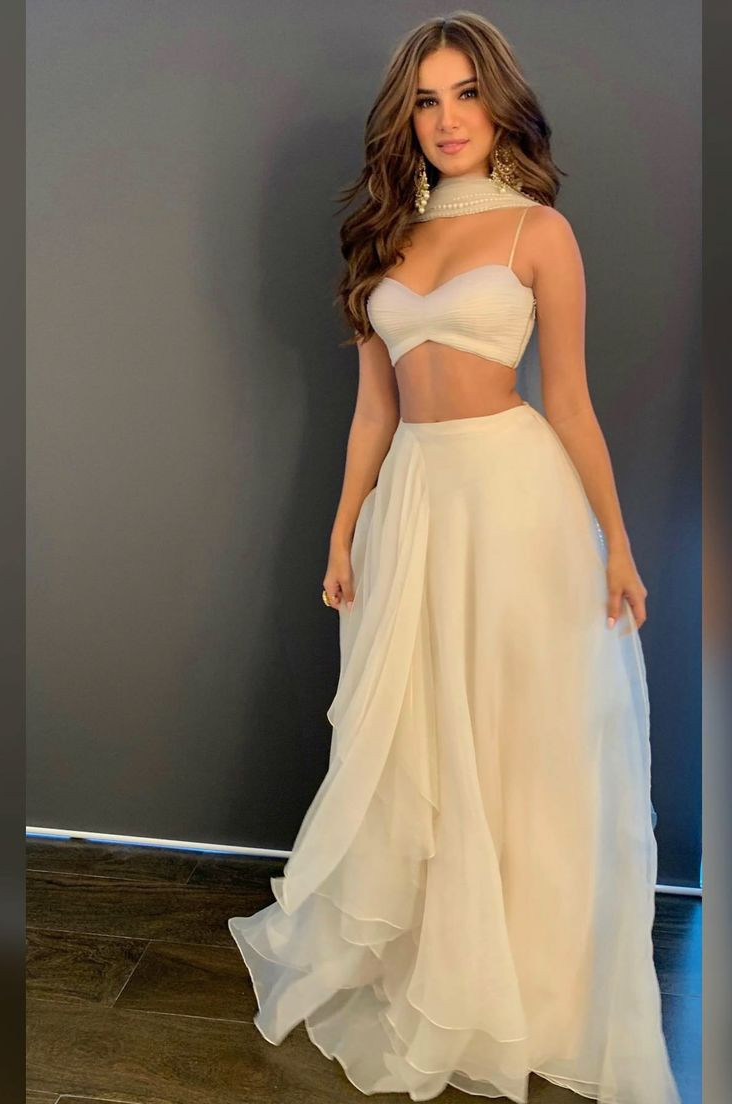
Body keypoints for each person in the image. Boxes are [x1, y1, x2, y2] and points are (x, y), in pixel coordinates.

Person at [229, 13, 681, 1104]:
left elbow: (568, 403)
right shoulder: (381, 240)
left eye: (466, 94)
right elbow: (372, 413)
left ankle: (528, 981)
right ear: (407, 118)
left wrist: (618, 544)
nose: (447, 119)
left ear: (499, 103)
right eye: (427, 100)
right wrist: (343, 527)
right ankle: (438, 960)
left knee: (516, 735)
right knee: (422, 737)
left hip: (515, 503)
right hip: (415, 503)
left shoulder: (539, 234)